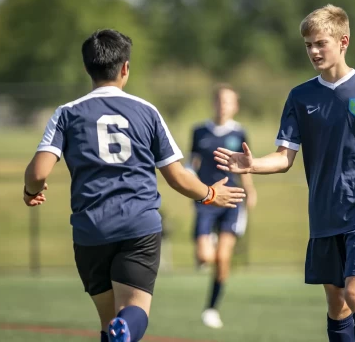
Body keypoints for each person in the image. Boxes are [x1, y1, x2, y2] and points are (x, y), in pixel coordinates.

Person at [213, 4, 355, 342]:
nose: (313, 51)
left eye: (320, 43)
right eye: (308, 45)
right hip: (324, 212)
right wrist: (252, 165)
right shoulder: (300, 96)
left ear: (343, 42)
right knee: (337, 303)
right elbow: (284, 158)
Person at [22, 29, 245, 342]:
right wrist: (210, 193)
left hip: (91, 230)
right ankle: (125, 329)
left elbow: (38, 172)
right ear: (125, 68)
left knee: (107, 320)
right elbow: (177, 177)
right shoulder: (146, 111)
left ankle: (119, 329)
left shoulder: (66, 113)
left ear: (87, 68)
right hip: (138, 226)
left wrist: (31, 192)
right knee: (132, 312)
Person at [188, 83, 257, 329]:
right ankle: (208, 246)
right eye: (219, 101)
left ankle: (211, 308)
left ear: (235, 106)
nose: (223, 106)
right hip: (206, 198)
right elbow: (191, 164)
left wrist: (250, 191)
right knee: (204, 256)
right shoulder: (199, 131)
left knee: (223, 258)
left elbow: (245, 166)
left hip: (232, 199)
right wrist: (191, 188)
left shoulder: (239, 133)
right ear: (213, 103)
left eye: (228, 101)